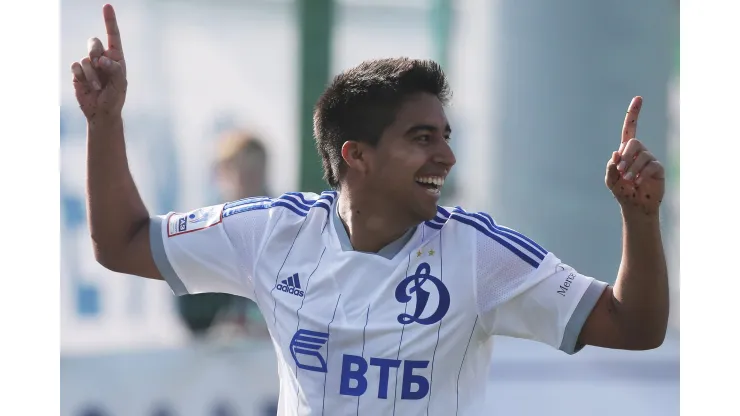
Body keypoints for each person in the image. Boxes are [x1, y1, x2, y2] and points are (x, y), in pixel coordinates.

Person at [72, 5, 668, 415]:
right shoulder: (271, 234)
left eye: (446, 134)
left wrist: (639, 220)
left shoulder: (480, 253)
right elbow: (122, 242)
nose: (448, 155)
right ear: (357, 155)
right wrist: (105, 123)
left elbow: (634, 327)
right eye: (422, 138)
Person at [176, 130, 271, 339]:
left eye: (257, 172)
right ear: (223, 174)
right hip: (220, 354)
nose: (252, 181)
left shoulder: (287, 227)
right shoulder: (202, 233)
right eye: (244, 173)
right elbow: (191, 311)